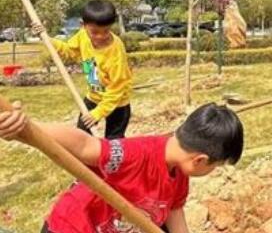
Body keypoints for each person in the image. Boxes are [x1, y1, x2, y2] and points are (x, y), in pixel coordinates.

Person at [0, 99, 244, 232]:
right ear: (199, 160)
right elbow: (86, 146)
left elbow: (174, 211)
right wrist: (27, 129)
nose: (213, 171)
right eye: (217, 166)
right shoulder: (135, 154)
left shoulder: (179, 172)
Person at [32, 0, 133, 139]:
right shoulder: (82, 35)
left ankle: (112, 160)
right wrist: (46, 39)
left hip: (117, 103)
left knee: (114, 143)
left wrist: (98, 113)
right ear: (83, 25)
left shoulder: (116, 52)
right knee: (82, 136)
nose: (101, 36)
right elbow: (69, 51)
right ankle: (87, 161)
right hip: (93, 96)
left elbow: (117, 88)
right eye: (95, 32)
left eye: (106, 31)